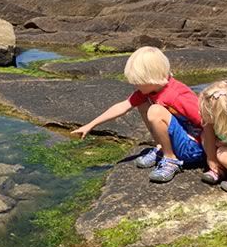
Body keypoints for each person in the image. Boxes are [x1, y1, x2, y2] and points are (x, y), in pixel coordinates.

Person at [71, 46, 205, 183]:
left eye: (139, 82)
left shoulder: (176, 95)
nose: (135, 85)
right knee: (142, 103)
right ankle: (161, 147)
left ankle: (171, 159)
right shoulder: (150, 90)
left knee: (155, 111)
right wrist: (90, 125)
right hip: (181, 138)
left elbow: (207, 121)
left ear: (153, 78)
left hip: (193, 149)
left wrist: (217, 156)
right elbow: (123, 106)